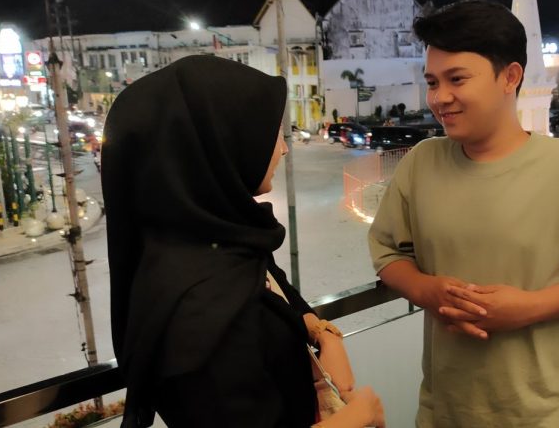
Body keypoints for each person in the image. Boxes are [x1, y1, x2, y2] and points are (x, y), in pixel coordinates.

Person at [368, 0, 559, 427]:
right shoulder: (421, 163)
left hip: (556, 412)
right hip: (449, 409)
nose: (440, 98)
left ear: (510, 77)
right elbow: (388, 253)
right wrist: (425, 290)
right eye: (432, 82)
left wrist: (527, 308)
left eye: (457, 79)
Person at [102, 55, 384, 428]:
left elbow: (275, 291)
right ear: (218, 145)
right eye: (272, 133)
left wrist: (322, 333)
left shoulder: (221, 245)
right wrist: (360, 415)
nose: (284, 148)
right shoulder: (202, 311)